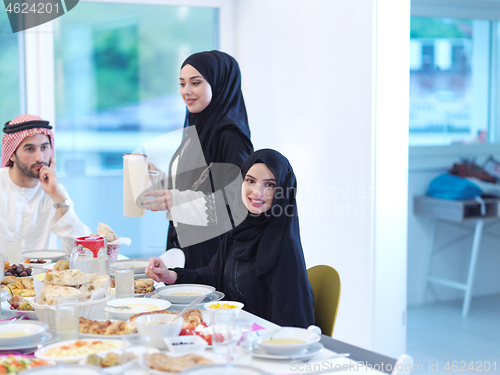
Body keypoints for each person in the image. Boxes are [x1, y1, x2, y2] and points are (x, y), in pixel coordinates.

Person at [146, 149, 315, 328]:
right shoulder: (238, 231)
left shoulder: (284, 249)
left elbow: (291, 327)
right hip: (229, 335)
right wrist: (170, 275)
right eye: (250, 181)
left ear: (283, 191)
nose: (257, 192)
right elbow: (212, 276)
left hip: (262, 346)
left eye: (270, 185)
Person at [144, 50, 253, 269]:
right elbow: (202, 185)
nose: (186, 91)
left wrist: (175, 200)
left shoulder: (231, 136)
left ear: (219, 83)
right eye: (182, 84)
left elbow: (236, 205)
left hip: (215, 259)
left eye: (195, 82)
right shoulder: (198, 130)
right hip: (189, 251)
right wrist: (164, 183)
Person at [0, 114, 91, 257]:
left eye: (44, 148)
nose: (40, 158)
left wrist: (57, 197)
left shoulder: (54, 190)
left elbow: (82, 251)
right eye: (30, 149)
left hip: (40, 277)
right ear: (12, 154)